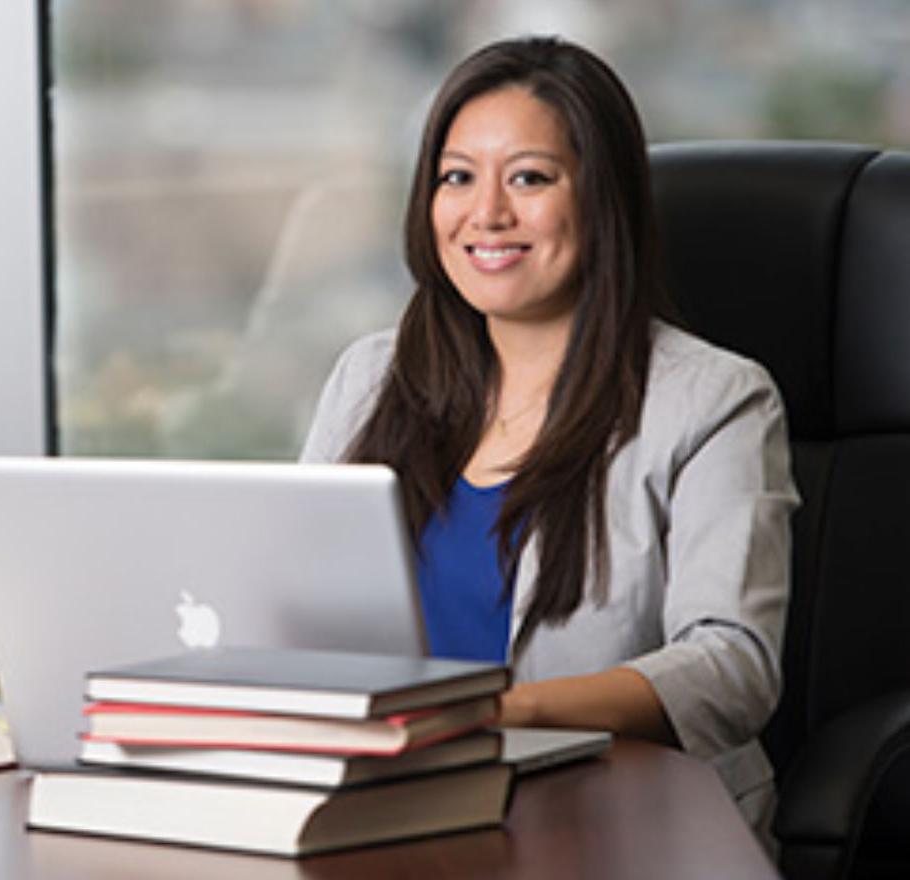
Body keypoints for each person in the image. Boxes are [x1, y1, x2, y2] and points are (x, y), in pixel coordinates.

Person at [300, 36, 796, 831]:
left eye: (529, 178)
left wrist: (497, 713)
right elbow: (286, 602)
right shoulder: (371, 378)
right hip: (384, 812)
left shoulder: (715, 401)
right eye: (456, 177)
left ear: (602, 202)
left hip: (619, 824)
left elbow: (731, 665)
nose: (486, 213)